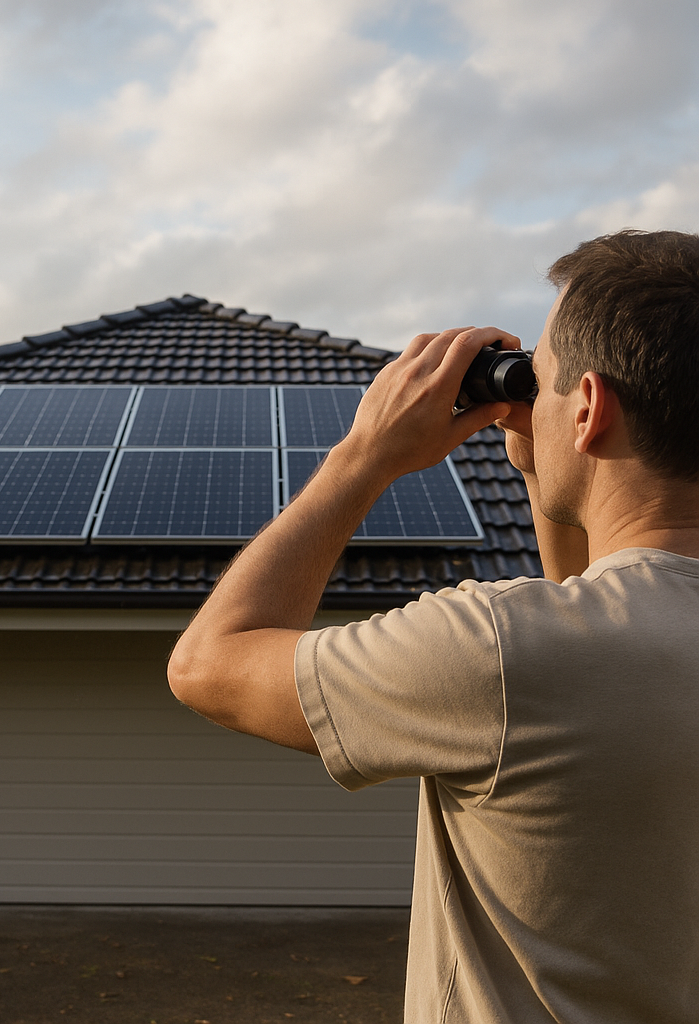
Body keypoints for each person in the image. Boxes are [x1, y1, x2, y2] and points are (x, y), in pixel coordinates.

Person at [168, 229, 699, 1023]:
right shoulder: (577, 652)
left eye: (543, 383)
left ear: (588, 409)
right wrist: (541, 464)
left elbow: (209, 665)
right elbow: (601, 625)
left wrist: (365, 453)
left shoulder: (499, 649)